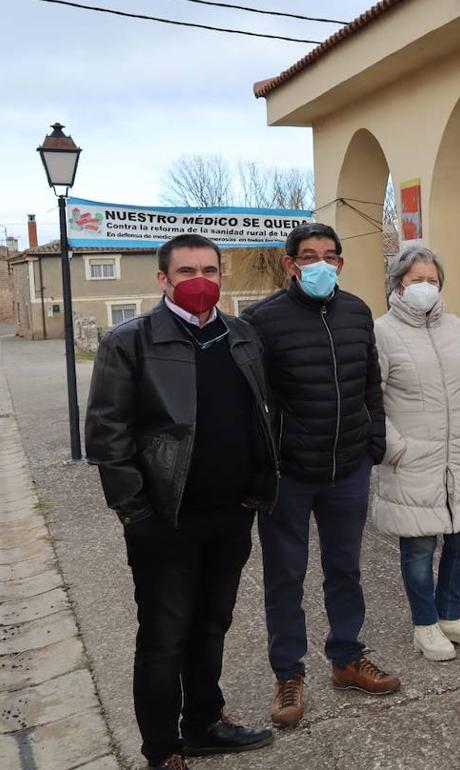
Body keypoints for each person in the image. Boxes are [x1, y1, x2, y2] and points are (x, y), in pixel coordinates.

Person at [85, 234, 276, 769]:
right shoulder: (130, 341)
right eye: (187, 270)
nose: (201, 281)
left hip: (231, 514)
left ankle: (203, 723)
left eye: (211, 270)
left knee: (212, 624)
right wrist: (136, 513)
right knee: (165, 636)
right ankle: (162, 749)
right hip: (163, 520)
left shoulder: (240, 335)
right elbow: (106, 435)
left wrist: (254, 492)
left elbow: (261, 414)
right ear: (163, 278)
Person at [241, 223, 399, 729]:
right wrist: (264, 462)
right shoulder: (261, 320)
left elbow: (370, 383)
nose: (320, 265)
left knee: (345, 569)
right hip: (289, 474)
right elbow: (249, 402)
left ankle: (347, 658)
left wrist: (374, 439)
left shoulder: (357, 313)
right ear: (290, 264)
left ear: (341, 264)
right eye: (308, 256)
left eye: (330, 256)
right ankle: (289, 673)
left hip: (347, 468)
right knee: (285, 577)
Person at [373, 245, 460, 659]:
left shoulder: (455, 327)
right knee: (420, 548)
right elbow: (371, 397)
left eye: (432, 280)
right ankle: (424, 626)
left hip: (459, 454)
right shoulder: (383, 331)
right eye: (416, 280)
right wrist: (395, 449)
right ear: (398, 285)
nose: (425, 287)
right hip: (412, 460)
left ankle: (450, 616)